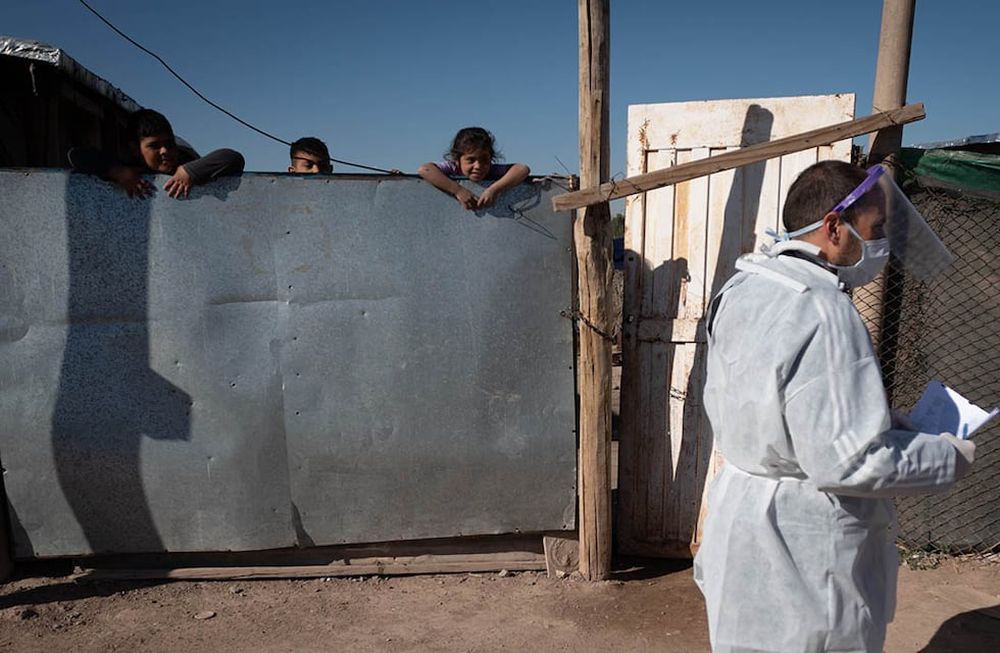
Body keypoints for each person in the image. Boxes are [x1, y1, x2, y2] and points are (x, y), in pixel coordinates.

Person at [693, 160, 974, 653]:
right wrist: (945, 455)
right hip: (803, 537)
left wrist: (883, 424)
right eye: (876, 228)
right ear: (833, 227)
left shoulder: (743, 287)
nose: (882, 243)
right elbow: (848, 462)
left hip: (741, 517)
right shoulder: (824, 309)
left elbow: (780, 406)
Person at [67, 108, 244, 199]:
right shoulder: (129, 168)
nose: (165, 151)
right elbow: (77, 156)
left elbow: (233, 158)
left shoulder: (186, 160)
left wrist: (190, 172)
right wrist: (118, 172)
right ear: (135, 149)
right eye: (154, 146)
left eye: (169, 144)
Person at [417, 127, 529, 209]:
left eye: (484, 160)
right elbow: (425, 169)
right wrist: (458, 190)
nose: (478, 166)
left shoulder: (491, 170)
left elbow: (522, 169)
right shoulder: (453, 167)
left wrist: (493, 190)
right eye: (471, 160)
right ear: (457, 159)